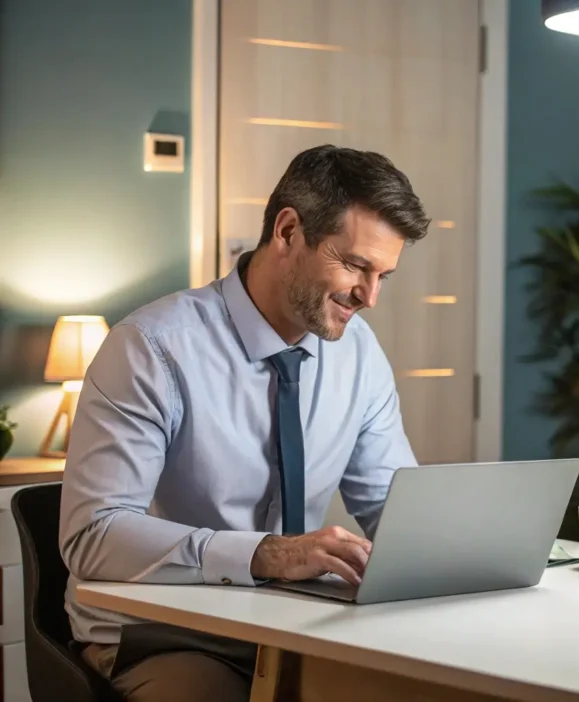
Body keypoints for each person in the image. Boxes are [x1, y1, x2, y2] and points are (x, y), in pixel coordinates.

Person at [58, 145, 430, 701]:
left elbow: (394, 510)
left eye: (383, 275)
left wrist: (458, 551)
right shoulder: (151, 349)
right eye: (355, 265)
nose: (370, 297)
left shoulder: (359, 354)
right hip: (167, 636)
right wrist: (266, 554)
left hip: (297, 631)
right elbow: (94, 535)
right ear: (287, 232)